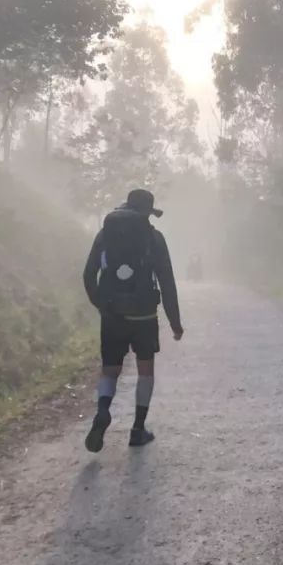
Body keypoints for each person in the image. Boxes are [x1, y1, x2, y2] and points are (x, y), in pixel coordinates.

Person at [82, 189, 183, 451]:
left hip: (113, 314)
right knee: (145, 370)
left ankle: (103, 411)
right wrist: (175, 322)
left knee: (110, 369)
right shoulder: (154, 238)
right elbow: (167, 283)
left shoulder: (105, 235)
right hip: (144, 315)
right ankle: (138, 429)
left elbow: (88, 275)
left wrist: (102, 306)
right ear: (148, 213)